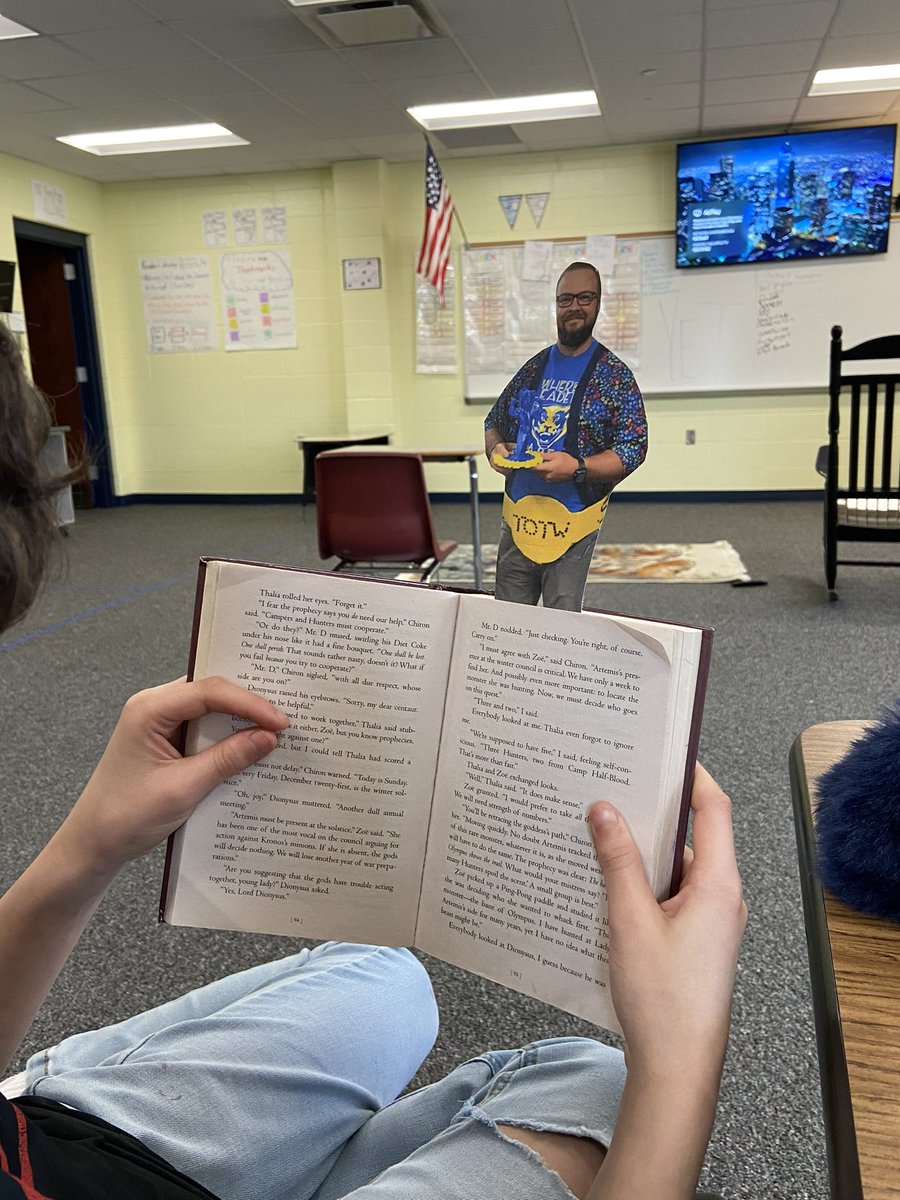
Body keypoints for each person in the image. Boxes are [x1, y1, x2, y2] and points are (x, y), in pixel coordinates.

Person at [0, 317, 745, 1199]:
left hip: (61, 1135)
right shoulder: (539, 376)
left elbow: (620, 445)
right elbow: (503, 435)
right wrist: (686, 1053)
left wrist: (85, 848)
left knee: (383, 968)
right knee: (612, 1085)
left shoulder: (603, 376)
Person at [484, 261, 648, 611]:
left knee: (560, 635)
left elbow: (633, 449)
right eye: (565, 299)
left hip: (573, 523)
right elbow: (492, 423)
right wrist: (496, 449)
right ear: (556, 306)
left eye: (584, 297)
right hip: (517, 519)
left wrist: (578, 467)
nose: (574, 306)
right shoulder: (533, 368)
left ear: (598, 303)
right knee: (505, 625)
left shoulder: (614, 376)